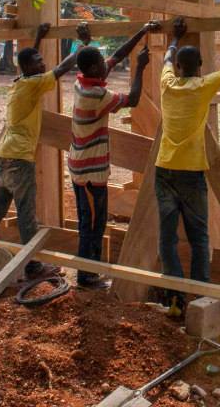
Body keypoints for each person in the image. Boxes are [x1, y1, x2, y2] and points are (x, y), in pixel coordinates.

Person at [0, 21, 91, 278]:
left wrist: (38, 38)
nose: (43, 64)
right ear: (30, 67)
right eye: (39, 61)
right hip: (20, 159)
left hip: (4, 157)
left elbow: (30, 65)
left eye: (42, 61)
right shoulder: (32, 84)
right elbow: (63, 68)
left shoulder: (19, 82)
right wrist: (83, 45)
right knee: (26, 215)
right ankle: (33, 266)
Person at [156, 14, 220, 314]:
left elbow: (167, 58)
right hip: (191, 173)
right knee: (199, 237)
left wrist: (175, 37)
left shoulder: (167, 84)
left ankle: (173, 298)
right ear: (201, 67)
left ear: (180, 68)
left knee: (168, 238)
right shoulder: (204, 85)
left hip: (165, 170)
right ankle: (200, 295)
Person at [68, 21, 160, 290]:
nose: (106, 64)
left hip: (83, 166)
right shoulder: (93, 94)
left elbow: (117, 54)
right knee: (92, 223)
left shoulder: (84, 77)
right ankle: (87, 276)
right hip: (88, 173)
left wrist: (142, 32)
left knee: (93, 219)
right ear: (95, 68)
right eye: (101, 63)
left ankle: (90, 271)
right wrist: (140, 68)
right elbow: (132, 99)